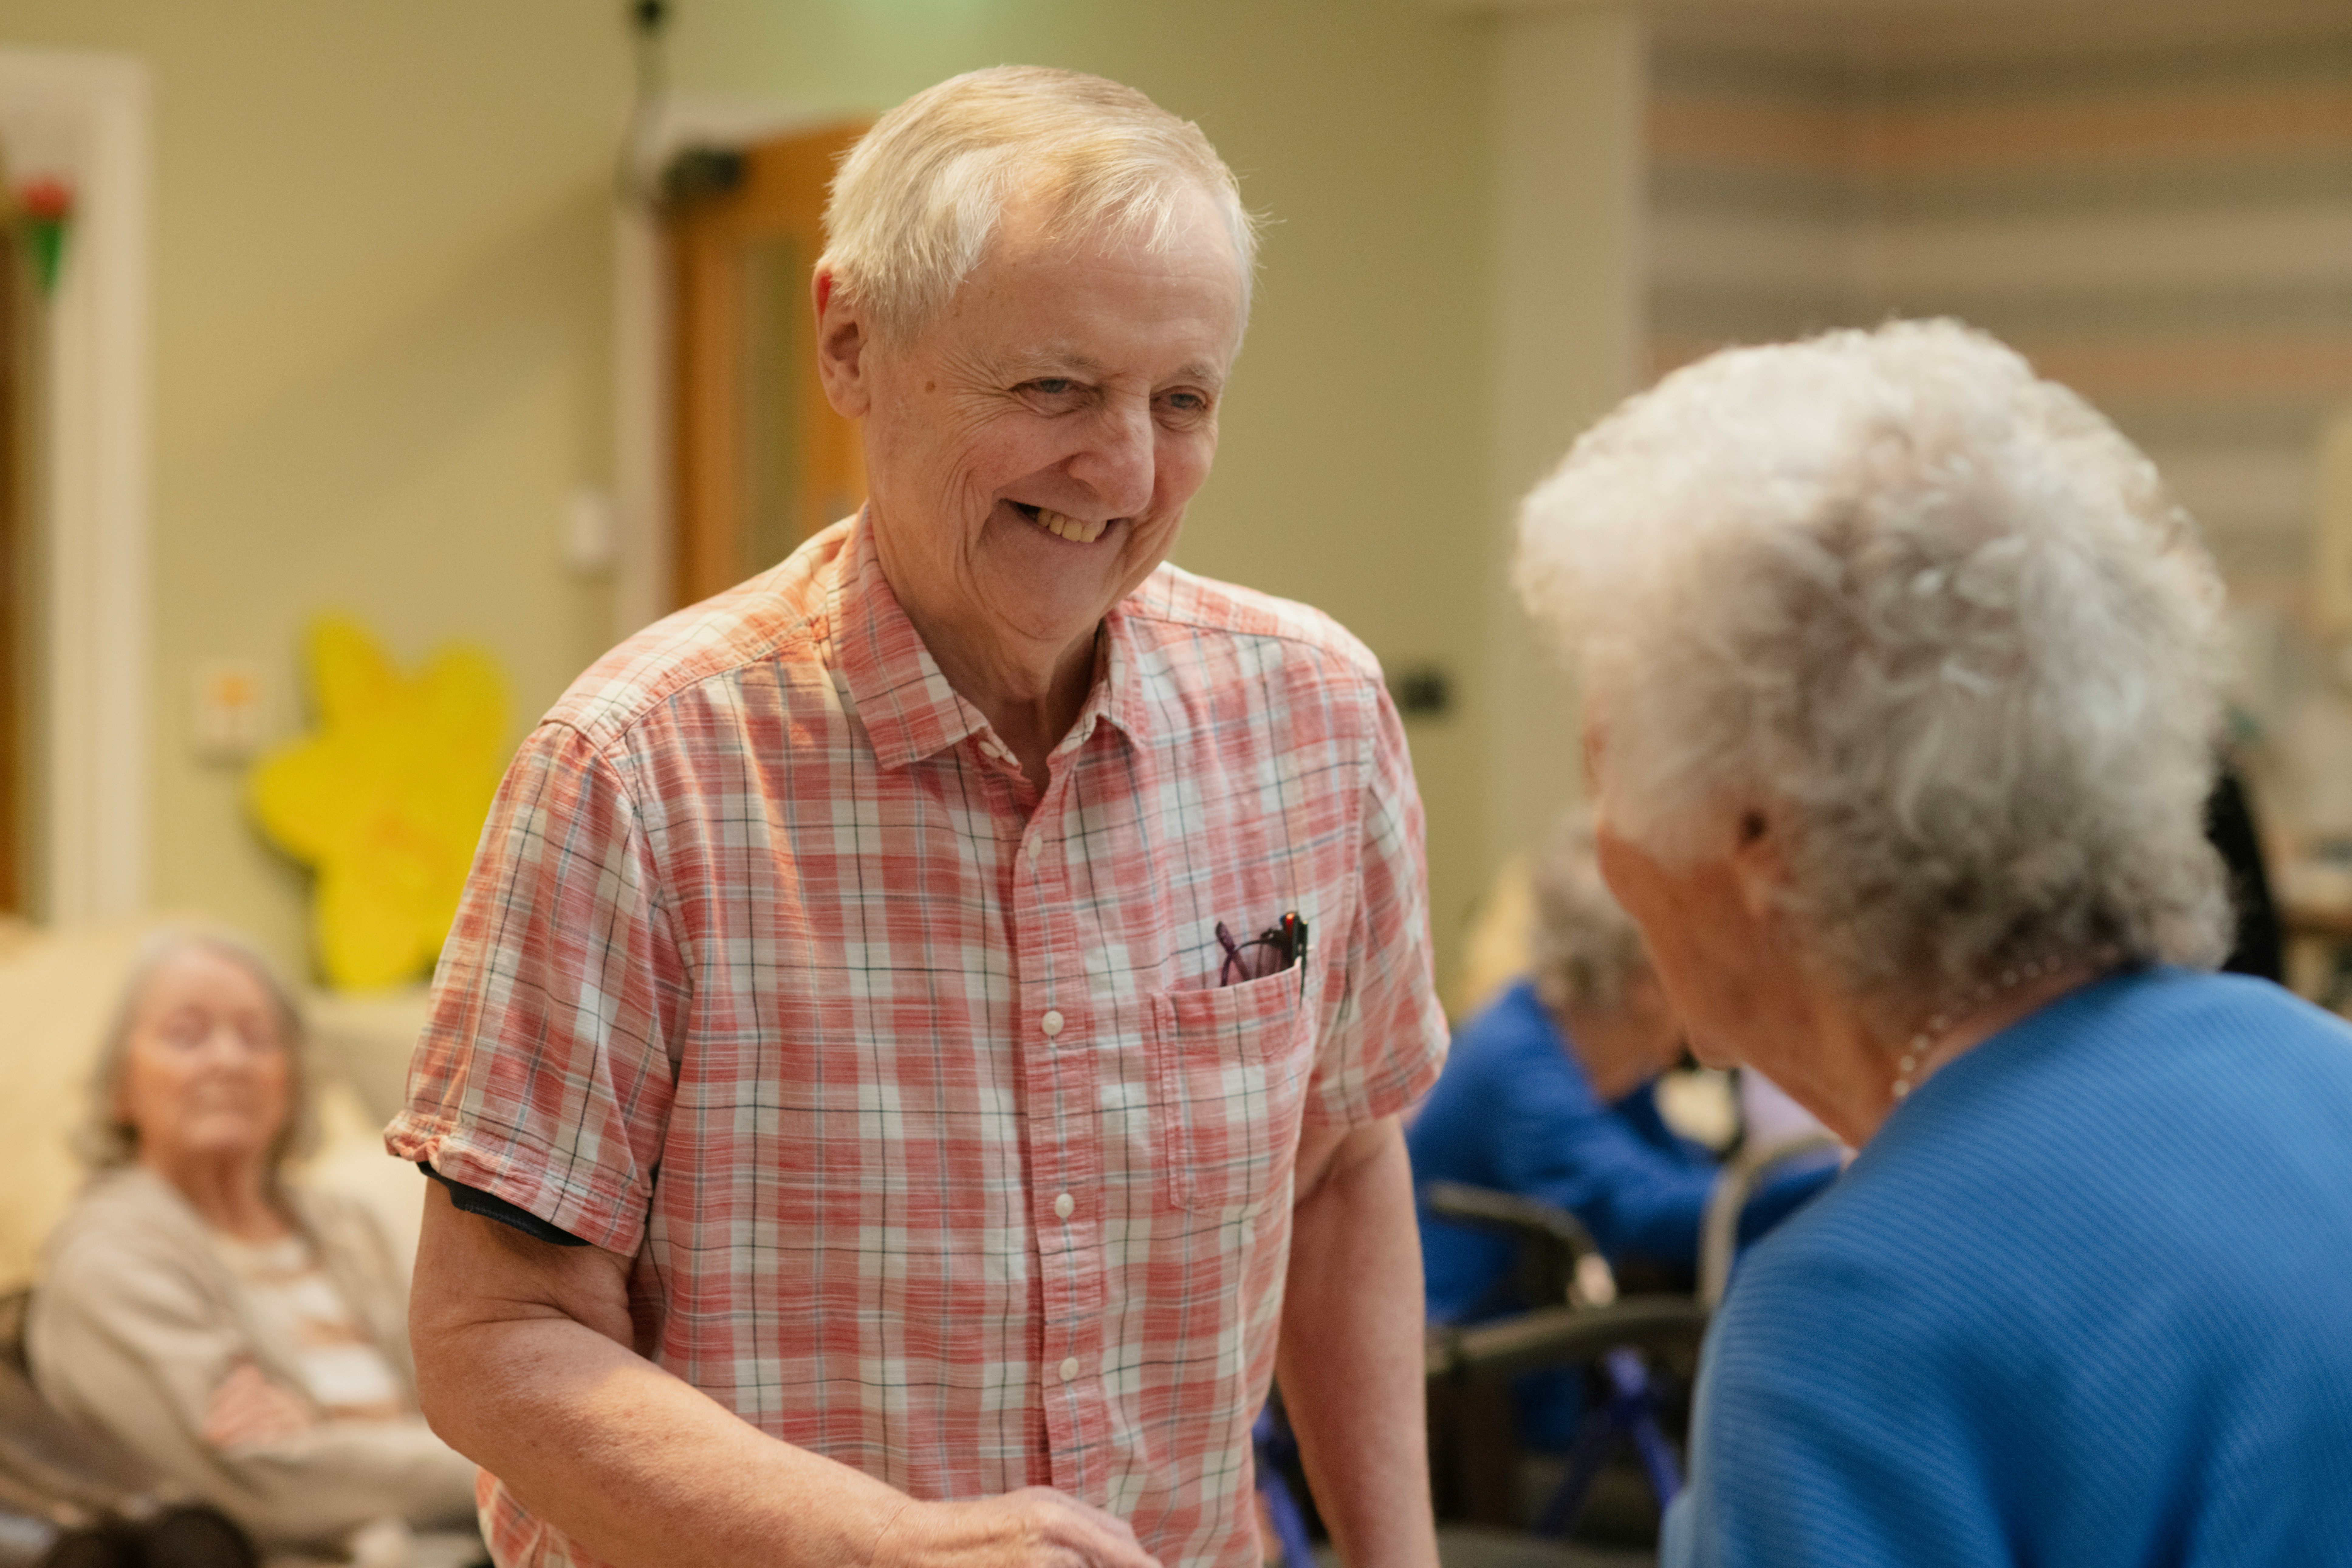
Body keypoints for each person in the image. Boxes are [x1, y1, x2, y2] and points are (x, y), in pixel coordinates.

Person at [387, 66, 1449, 1568]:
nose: (1125, 471)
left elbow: (1342, 1169)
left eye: (1183, 400)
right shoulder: (636, 771)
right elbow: (491, 1335)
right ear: (849, 341)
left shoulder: (1314, 718)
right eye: (1055, 389)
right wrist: (876, 1543)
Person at [1514, 318, 2352, 1564]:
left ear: (1758, 827)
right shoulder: (2316, 1067)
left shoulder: (1852, 1322)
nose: (1609, 847)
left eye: (1606, 758)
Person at [27, 930, 478, 1554]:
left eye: (257, 1037)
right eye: (187, 1035)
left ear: (293, 1079)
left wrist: (318, 1434)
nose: (228, 1060)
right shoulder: (107, 1257)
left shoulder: (350, 1225)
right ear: (120, 1088)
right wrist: (512, 1473)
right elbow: (266, 1477)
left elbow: (459, 1398)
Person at [1407, 809, 1832, 1447]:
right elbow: (1638, 1205)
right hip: (1460, 1398)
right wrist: (1849, 1177)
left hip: (1531, 1367)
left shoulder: (1606, 1057)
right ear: (1646, 980)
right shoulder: (1512, 1054)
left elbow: (1681, 1176)